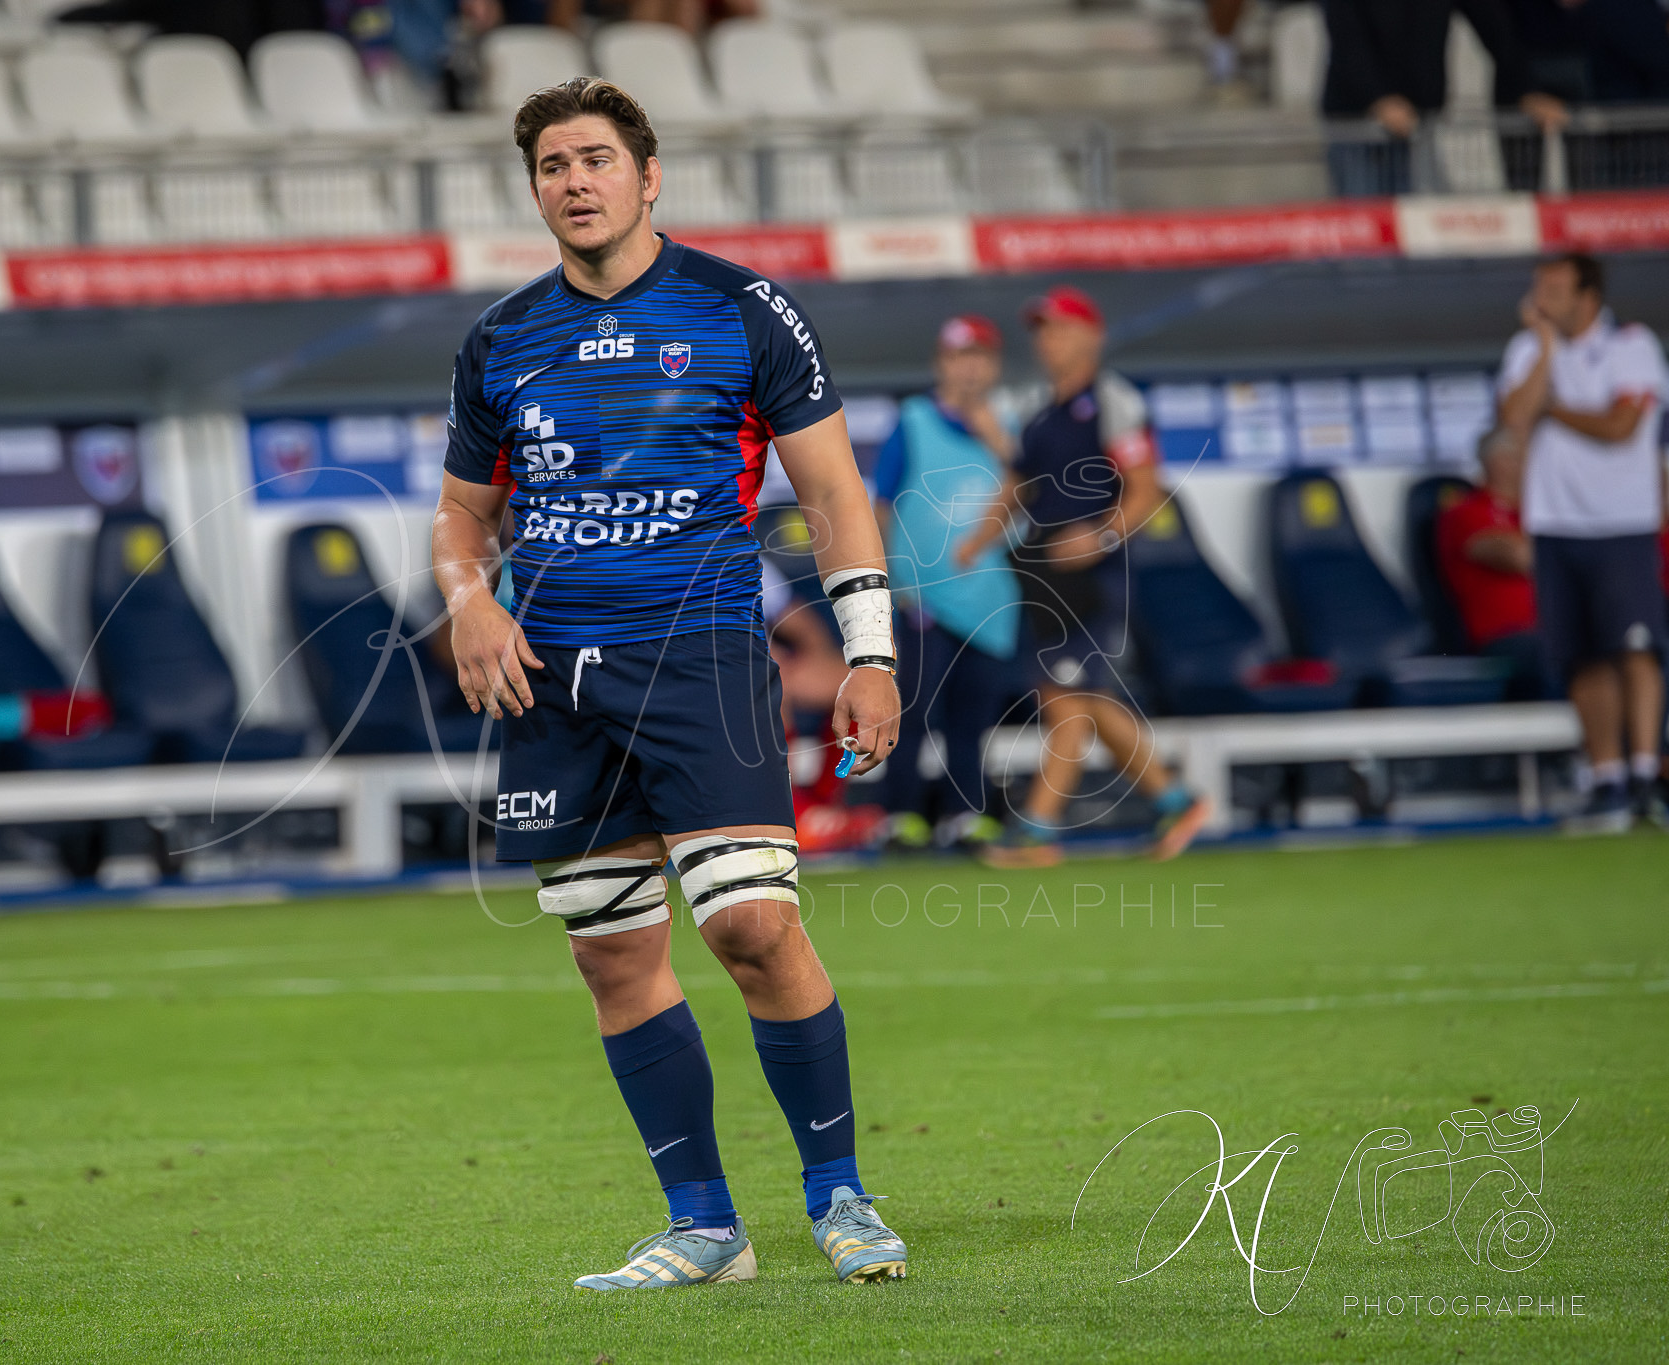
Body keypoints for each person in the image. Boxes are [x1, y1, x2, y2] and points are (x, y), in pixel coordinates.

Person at [431, 76, 909, 1291]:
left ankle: (838, 1195)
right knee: (611, 956)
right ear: (532, 188)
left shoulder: (739, 308)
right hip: (550, 683)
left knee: (751, 925)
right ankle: (704, 1226)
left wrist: (868, 652)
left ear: (647, 179)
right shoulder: (499, 338)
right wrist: (465, 597)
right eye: (550, 165)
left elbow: (835, 494)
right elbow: (458, 516)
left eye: (594, 160)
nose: (573, 182)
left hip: (697, 661)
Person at [954, 285, 1211, 870]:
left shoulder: (1112, 400)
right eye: (1042, 330)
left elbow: (1146, 488)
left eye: (1061, 328)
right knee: (1084, 699)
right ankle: (1176, 801)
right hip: (1046, 573)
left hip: (1095, 576)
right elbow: (1018, 486)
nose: (1049, 341)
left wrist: (1100, 537)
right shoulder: (1042, 413)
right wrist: (977, 539)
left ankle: (1037, 829)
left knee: (1065, 702)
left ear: (1091, 335)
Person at [1497, 252, 1669, 830]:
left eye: (1554, 288)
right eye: (1538, 286)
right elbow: (1515, 417)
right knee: (1582, 656)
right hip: (1555, 524)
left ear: (1587, 298)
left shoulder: (1632, 345)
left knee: (1637, 647)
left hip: (1622, 523)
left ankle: (1648, 771)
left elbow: (1621, 428)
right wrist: (1547, 350)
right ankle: (1608, 781)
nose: (1541, 296)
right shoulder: (1527, 351)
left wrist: (1557, 410)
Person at [873, 314, 1029, 851]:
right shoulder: (914, 420)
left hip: (987, 599)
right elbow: (882, 503)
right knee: (912, 708)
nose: (970, 369)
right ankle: (902, 816)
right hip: (923, 596)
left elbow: (1032, 503)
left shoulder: (1009, 428)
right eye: (960, 357)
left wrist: (999, 440)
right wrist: (882, 579)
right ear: (942, 364)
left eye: (980, 358)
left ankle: (966, 815)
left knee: (972, 717)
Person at [1320, 0, 1568, 197]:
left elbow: (1494, 24)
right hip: (1357, 125)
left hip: (1420, 121)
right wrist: (1379, 98)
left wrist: (1527, 89)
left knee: (1418, 235)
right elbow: (1345, 34)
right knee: (1369, 237)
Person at [1437, 427, 1551, 698]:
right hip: (1505, 640)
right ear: (1500, 462)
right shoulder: (1465, 512)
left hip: (1553, 629)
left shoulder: (1536, 512)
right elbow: (1519, 558)